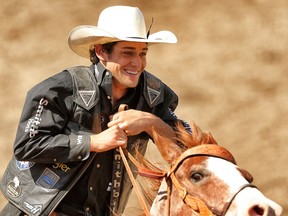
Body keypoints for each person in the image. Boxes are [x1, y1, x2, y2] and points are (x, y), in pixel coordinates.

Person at [0, 5, 190, 216]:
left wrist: (149, 122)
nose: (137, 63)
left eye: (143, 53)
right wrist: (93, 142)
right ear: (101, 51)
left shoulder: (153, 96)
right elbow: (27, 145)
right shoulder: (60, 89)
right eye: (127, 53)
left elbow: (189, 146)